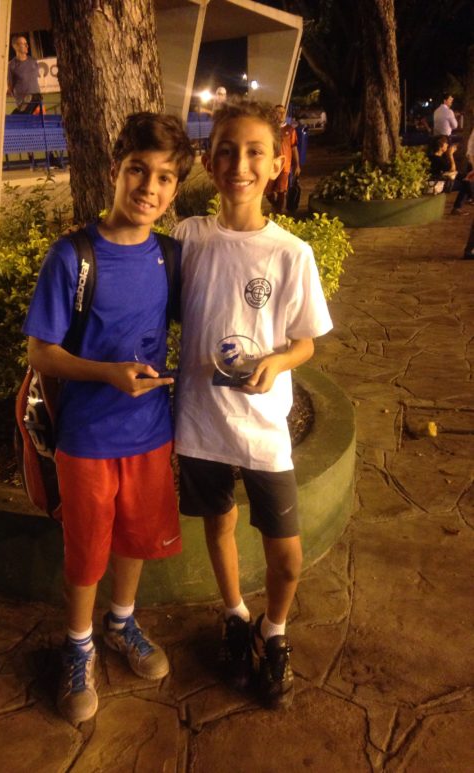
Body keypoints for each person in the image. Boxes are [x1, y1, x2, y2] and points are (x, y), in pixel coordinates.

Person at [23, 113, 195, 725]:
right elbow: (41, 352)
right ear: (115, 171)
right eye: (138, 170)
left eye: (165, 177)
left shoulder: (170, 256)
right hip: (87, 437)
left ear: (175, 190)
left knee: (136, 536)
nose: (149, 186)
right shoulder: (73, 256)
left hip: (151, 432)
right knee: (87, 548)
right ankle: (78, 647)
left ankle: (121, 623)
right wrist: (108, 373)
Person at [173, 100, 333, 709]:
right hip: (199, 421)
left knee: (286, 556)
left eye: (254, 152)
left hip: (262, 428)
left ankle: (275, 629)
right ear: (209, 163)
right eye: (227, 151)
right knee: (218, 523)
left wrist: (278, 363)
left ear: (276, 164)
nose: (239, 164)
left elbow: (305, 342)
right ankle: (237, 617)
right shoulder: (187, 238)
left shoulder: (290, 253)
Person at [265, 104, 301, 215]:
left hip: (285, 166)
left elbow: (294, 148)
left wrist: (297, 165)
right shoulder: (270, 129)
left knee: (281, 191)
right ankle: (276, 206)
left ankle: (278, 213)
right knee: (268, 192)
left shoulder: (290, 130)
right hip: (270, 166)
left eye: (283, 112)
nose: (281, 114)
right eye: (278, 112)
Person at [428, 135, 473, 215]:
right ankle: (457, 208)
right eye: (446, 143)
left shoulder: (435, 157)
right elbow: (452, 169)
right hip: (438, 185)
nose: (447, 145)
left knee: (466, 178)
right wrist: (450, 155)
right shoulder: (437, 159)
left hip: (441, 181)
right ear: (441, 146)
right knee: (465, 183)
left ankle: (464, 203)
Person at [7, 35, 42, 114]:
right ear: (15, 46)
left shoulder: (33, 61)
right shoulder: (12, 65)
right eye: (23, 44)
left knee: (36, 97)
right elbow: (10, 87)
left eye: (27, 43)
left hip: (36, 101)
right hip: (22, 103)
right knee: (15, 116)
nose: (27, 46)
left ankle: (33, 99)